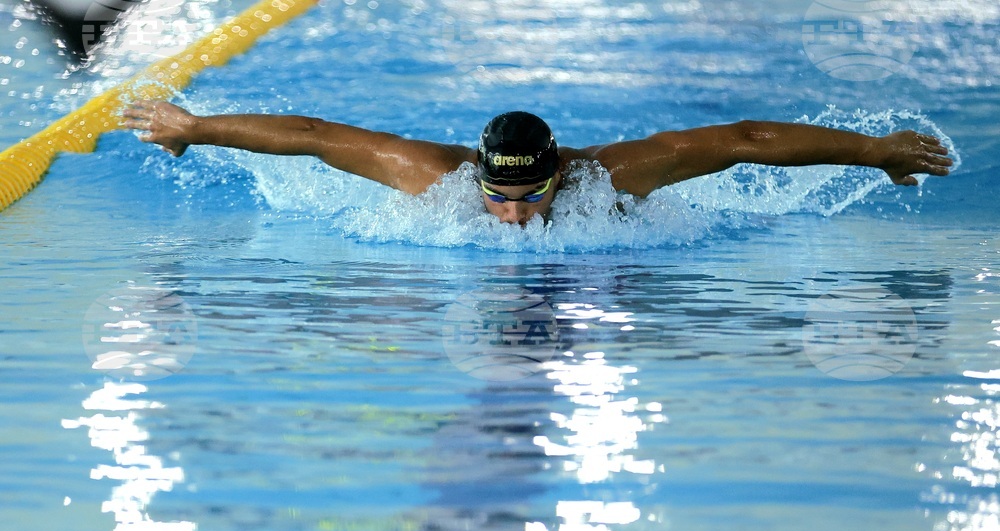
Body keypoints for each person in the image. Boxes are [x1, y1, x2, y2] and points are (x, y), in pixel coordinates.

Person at [123, 101, 952, 225]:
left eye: (532, 194)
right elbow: (312, 135)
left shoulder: (610, 178)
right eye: (500, 196)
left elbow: (743, 143)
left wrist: (873, 152)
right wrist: (193, 126)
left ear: (560, 170)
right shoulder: (434, 179)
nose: (515, 216)